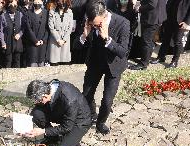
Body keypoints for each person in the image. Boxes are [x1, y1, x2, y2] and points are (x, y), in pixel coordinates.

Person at [74, 0, 130, 134]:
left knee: (107, 101)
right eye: (92, 24)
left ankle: (101, 122)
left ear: (104, 16)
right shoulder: (89, 21)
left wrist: (107, 39)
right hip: (95, 62)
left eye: (97, 24)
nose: (95, 26)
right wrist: (84, 35)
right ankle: (92, 115)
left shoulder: (123, 23)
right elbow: (76, 46)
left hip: (114, 65)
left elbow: (123, 52)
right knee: (87, 94)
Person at [25, 79, 92, 146]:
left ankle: (71, 141)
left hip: (79, 121)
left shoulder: (69, 100)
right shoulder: (47, 88)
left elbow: (67, 127)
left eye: (37, 101)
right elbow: (38, 109)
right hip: (61, 112)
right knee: (36, 114)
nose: (35, 103)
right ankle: (53, 137)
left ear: (45, 97)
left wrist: (43, 131)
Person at [151, 0, 190, 68]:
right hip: (169, 18)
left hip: (181, 20)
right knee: (166, 38)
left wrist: (187, 22)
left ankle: (174, 61)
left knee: (177, 41)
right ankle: (161, 57)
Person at [129, 0, 167, 70]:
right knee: (149, 40)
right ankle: (145, 59)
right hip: (156, 16)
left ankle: (143, 63)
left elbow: (152, 4)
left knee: (146, 41)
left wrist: (139, 8)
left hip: (152, 18)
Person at [0, 0, 25, 68]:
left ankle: (17, 77)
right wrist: (3, 43)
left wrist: (20, 34)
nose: (13, 7)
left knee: (17, 61)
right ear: (8, 5)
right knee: (8, 61)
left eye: (15, 5)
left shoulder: (20, 14)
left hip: (18, 42)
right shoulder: (3, 15)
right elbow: (1, 31)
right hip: (8, 42)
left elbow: (23, 27)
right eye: (11, 5)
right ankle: (8, 78)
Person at [48, 0, 73, 66]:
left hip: (65, 42)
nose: (62, 3)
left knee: (65, 66)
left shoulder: (70, 12)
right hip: (55, 42)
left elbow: (70, 28)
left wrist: (64, 40)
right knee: (54, 65)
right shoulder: (52, 11)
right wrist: (58, 39)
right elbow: (51, 27)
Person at [25, 0, 49, 67]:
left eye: (39, 2)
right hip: (32, 43)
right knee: (33, 64)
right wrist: (35, 41)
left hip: (42, 43)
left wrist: (43, 40)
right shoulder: (28, 13)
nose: (37, 4)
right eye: (36, 2)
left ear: (42, 2)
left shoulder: (46, 13)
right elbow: (28, 28)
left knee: (41, 64)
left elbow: (47, 28)